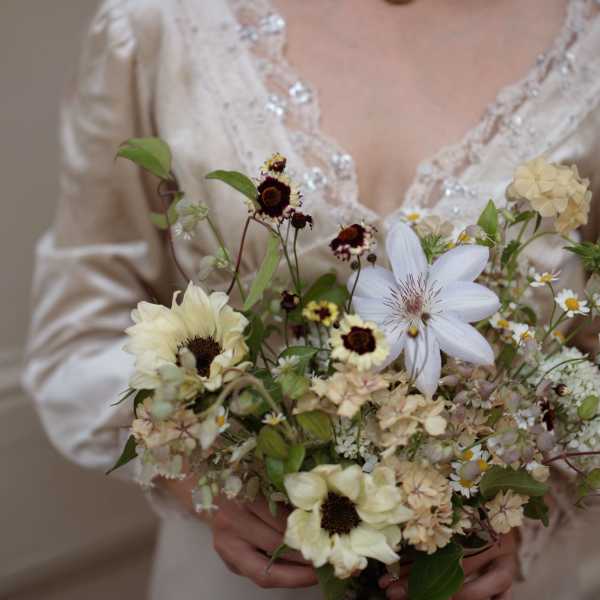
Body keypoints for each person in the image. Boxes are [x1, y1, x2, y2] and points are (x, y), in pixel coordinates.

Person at [23, 0, 600, 598]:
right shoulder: (162, 23)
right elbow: (78, 332)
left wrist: (525, 509)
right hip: (252, 572)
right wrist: (201, 478)